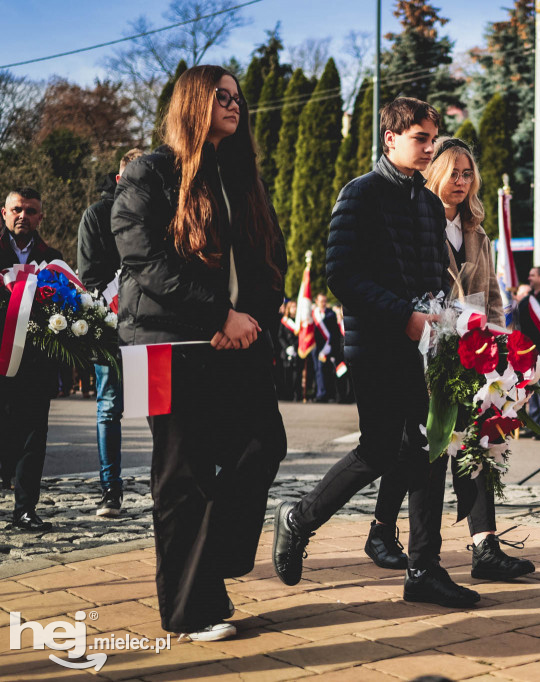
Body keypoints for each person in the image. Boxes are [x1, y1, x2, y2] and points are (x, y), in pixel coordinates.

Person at [272, 97, 481, 609]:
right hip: (375, 344)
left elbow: (434, 276)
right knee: (380, 449)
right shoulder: (360, 194)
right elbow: (341, 274)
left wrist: (444, 321)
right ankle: (299, 518)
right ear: (390, 139)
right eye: (421, 139)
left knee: (431, 447)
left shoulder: (429, 205)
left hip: (422, 345)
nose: (430, 148)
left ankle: (423, 570)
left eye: (434, 139)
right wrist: (401, 313)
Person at [111, 65, 288, 641]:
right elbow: (145, 260)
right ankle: (189, 611)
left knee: (265, 443)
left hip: (238, 341)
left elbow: (270, 261)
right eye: (222, 96)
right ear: (193, 102)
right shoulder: (150, 172)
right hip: (165, 348)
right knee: (180, 476)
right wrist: (218, 316)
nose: (235, 105)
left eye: (238, 97)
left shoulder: (241, 175)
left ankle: (210, 569)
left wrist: (252, 319)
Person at [368, 135, 533, 583]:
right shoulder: (417, 219)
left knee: (472, 438)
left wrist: (499, 345)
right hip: (424, 346)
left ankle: (485, 546)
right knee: (417, 444)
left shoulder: (477, 229)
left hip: (473, 348)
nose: (460, 182)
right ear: (435, 172)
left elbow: (492, 294)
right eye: (452, 172)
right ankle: (382, 529)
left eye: (467, 174)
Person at [77, 148, 145, 517]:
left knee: (160, 409)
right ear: (121, 177)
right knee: (109, 408)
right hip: (110, 326)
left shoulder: (158, 211)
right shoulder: (96, 215)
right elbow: (88, 276)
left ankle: (166, 489)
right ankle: (110, 492)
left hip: (152, 327)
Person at [0, 187, 62, 530]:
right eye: (17, 209)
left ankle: (25, 509)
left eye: (31, 210)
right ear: (5, 213)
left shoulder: (53, 258)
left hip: (36, 367)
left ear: (40, 217)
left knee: (33, 439)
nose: (23, 215)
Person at [517, 266, 540, 434]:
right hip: (527, 351)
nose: (529, 278)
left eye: (533, 275)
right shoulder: (526, 301)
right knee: (530, 388)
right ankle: (533, 423)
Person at [312, 293, 342, 402]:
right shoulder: (313, 314)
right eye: (321, 301)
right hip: (316, 347)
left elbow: (334, 331)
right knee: (318, 370)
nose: (323, 303)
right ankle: (320, 394)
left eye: (325, 301)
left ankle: (329, 394)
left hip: (328, 346)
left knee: (328, 370)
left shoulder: (331, 313)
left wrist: (330, 346)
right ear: (316, 301)